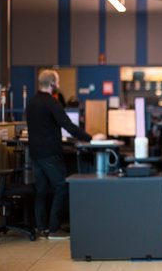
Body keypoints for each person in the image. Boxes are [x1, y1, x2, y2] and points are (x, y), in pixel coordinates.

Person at [26, 69, 92, 239]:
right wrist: (90, 138)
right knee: (62, 186)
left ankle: (41, 228)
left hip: (35, 154)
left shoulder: (31, 102)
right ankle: (54, 229)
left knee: (41, 190)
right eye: (58, 82)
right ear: (52, 83)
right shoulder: (51, 102)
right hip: (50, 154)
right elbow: (68, 125)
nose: (59, 85)